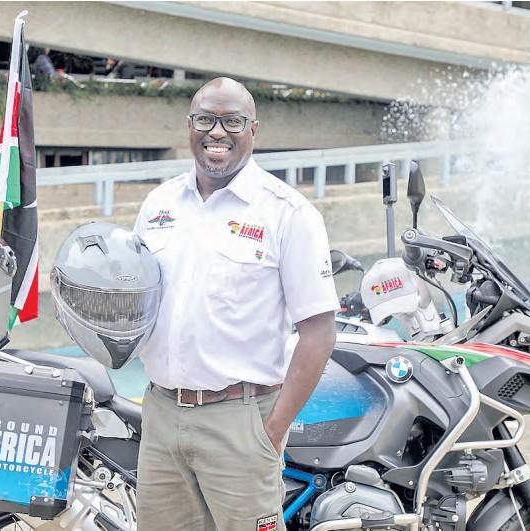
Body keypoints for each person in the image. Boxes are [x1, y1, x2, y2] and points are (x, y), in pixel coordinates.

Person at [133, 77, 339, 531]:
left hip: (241, 420)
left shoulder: (287, 213)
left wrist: (271, 432)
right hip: (162, 415)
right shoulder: (158, 205)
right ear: (190, 125)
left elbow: (319, 333)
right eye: (205, 119)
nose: (217, 132)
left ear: (254, 129)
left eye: (232, 121)